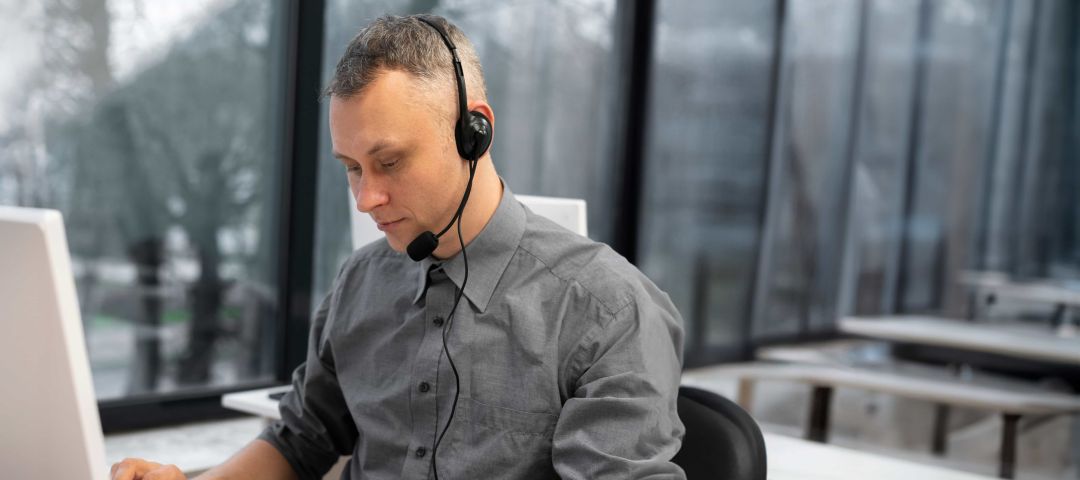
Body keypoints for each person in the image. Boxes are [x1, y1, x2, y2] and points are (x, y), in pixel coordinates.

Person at [110, 14, 685, 480]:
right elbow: (301, 439)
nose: (366, 199)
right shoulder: (361, 283)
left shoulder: (607, 310)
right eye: (352, 169)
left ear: (473, 131)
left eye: (389, 163)